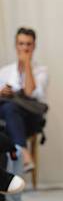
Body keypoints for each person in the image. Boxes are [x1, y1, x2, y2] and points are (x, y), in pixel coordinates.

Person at [0, 27, 48, 173]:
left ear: (34, 46)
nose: (25, 48)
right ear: (16, 45)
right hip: (9, 118)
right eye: (21, 44)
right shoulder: (5, 71)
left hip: (31, 119)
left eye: (28, 44)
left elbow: (29, 92)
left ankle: (22, 157)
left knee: (10, 110)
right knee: (8, 110)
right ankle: (23, 154)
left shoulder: (42, 71)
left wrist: (26, 64)